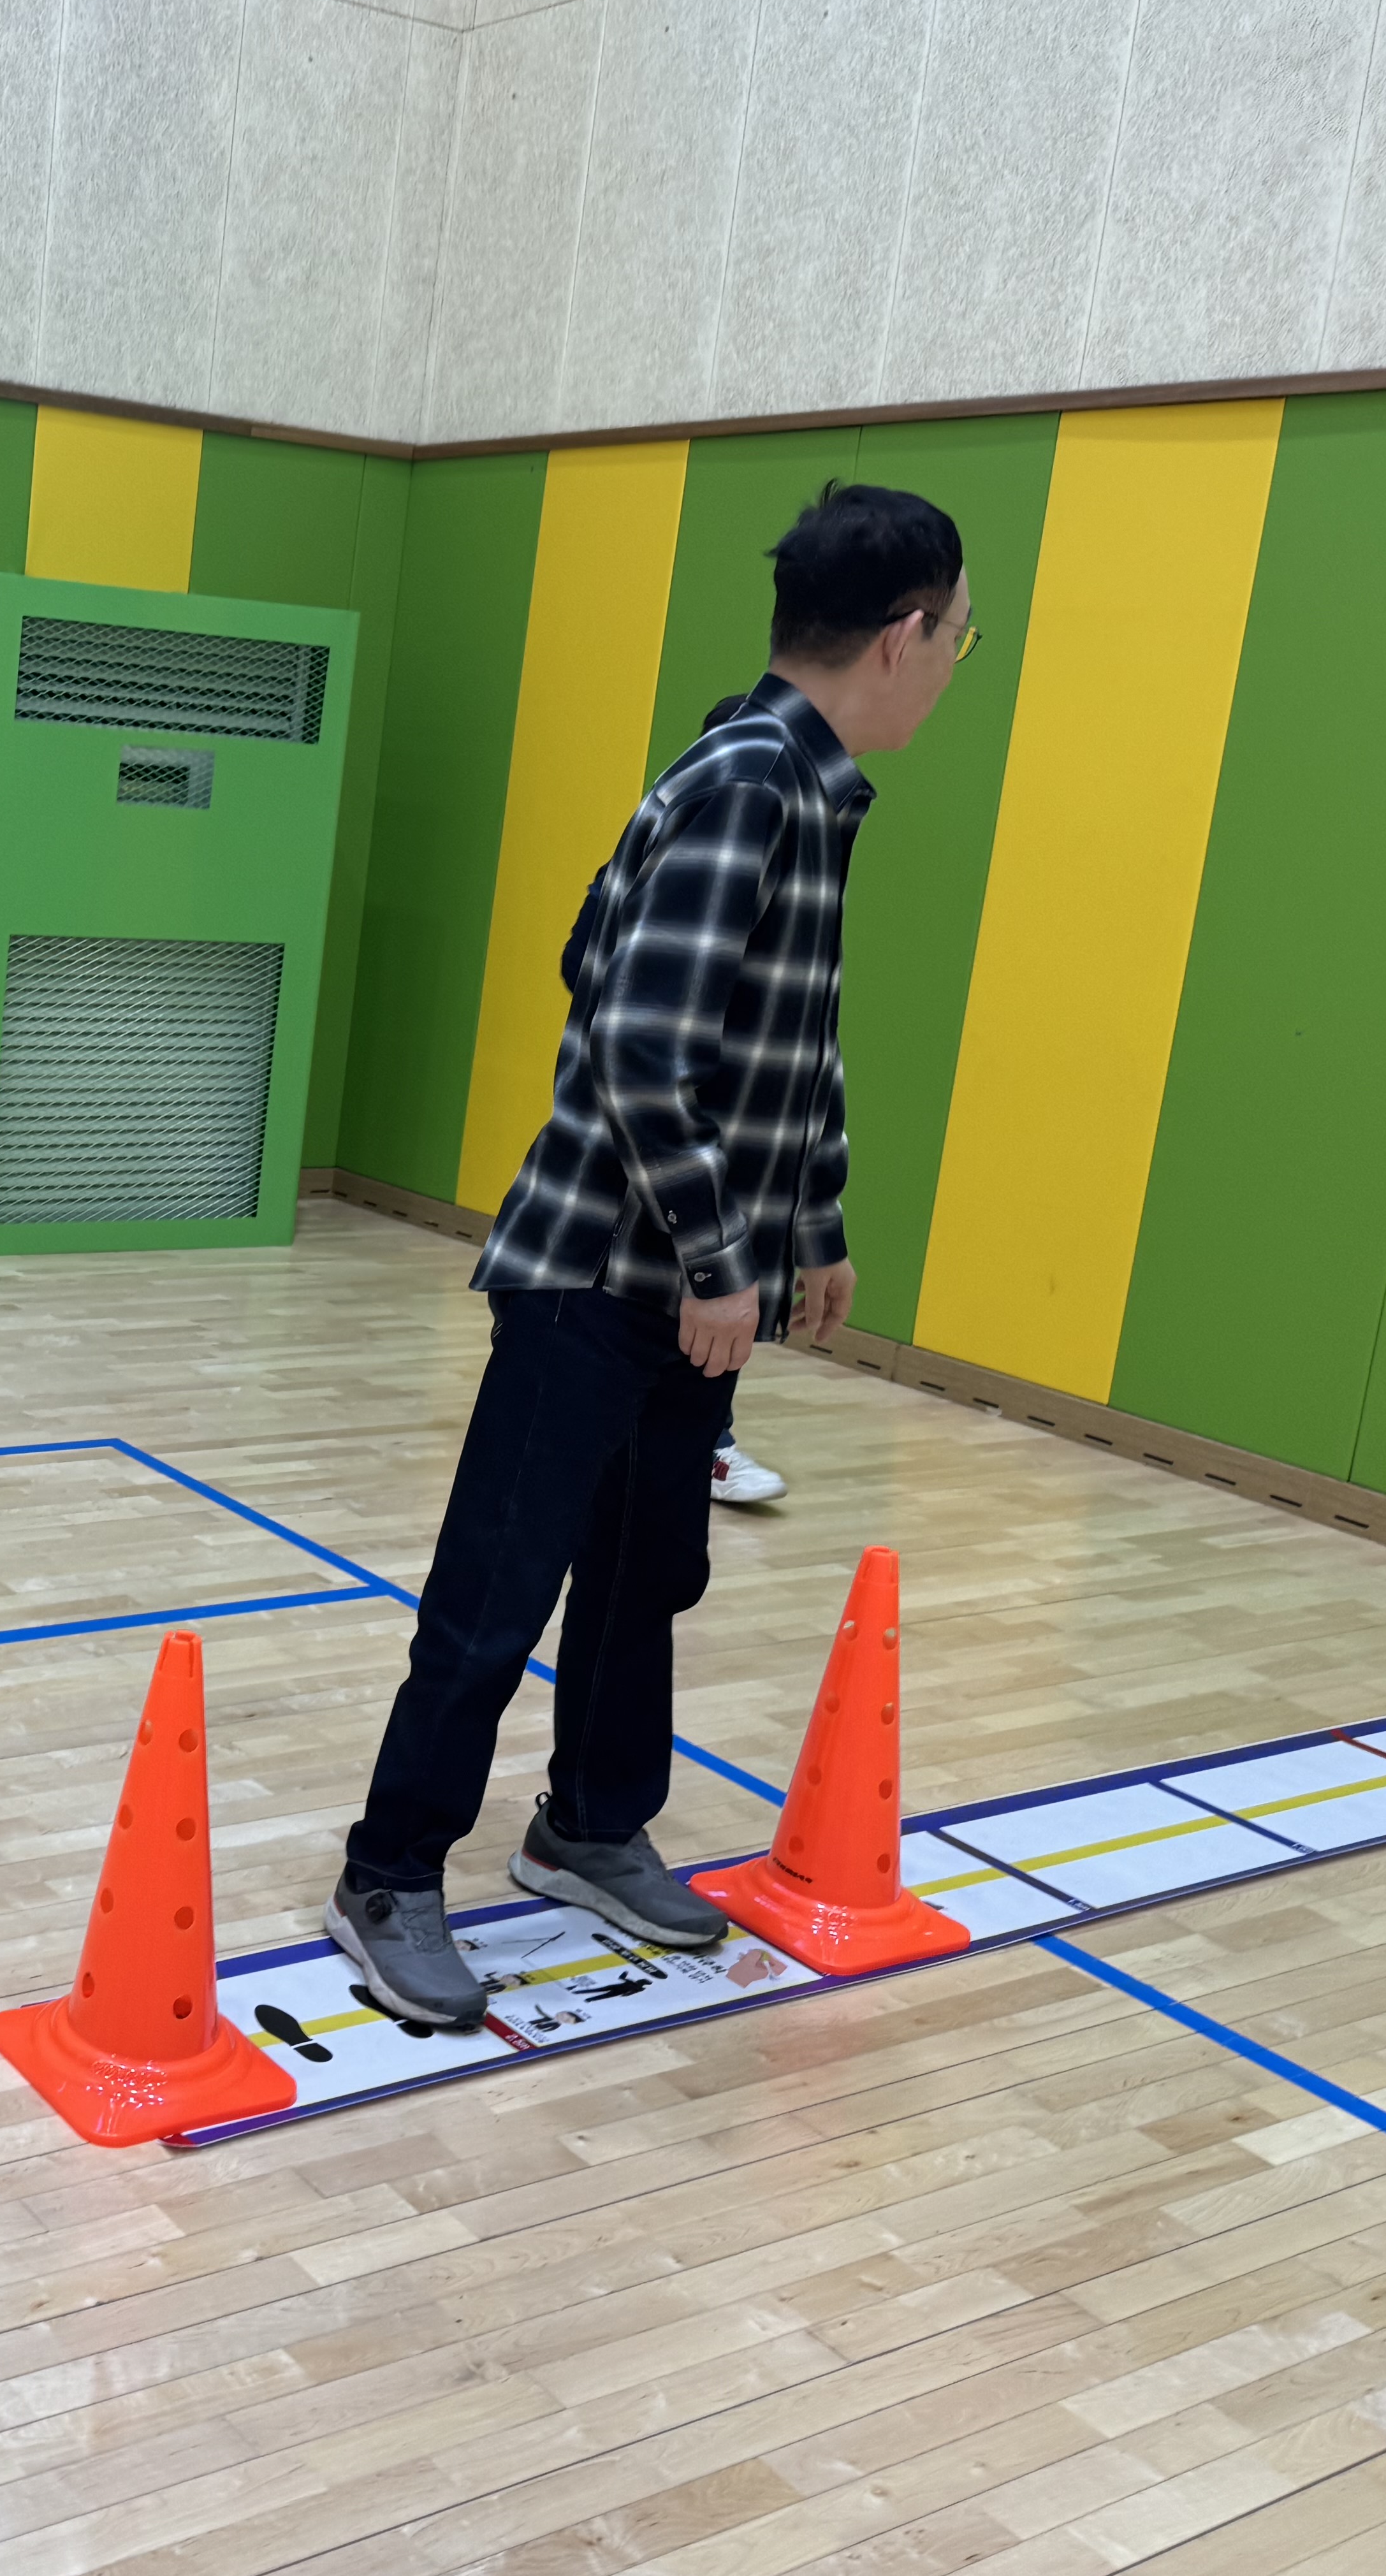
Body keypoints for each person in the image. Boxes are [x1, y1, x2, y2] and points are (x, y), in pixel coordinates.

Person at [328, 483, 974, 2025]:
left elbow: (784, 1044)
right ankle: (389, 1873)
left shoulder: (794, 783)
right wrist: (717, 1257)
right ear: (902, 635)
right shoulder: (749, 782)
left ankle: (590, 1828)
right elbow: (635, 1040)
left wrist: (812, 1227)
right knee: (500, 1588)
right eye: (961, 634)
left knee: (644, 1575)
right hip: (599, 1281)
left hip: (692, 1284)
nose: (959, 661)